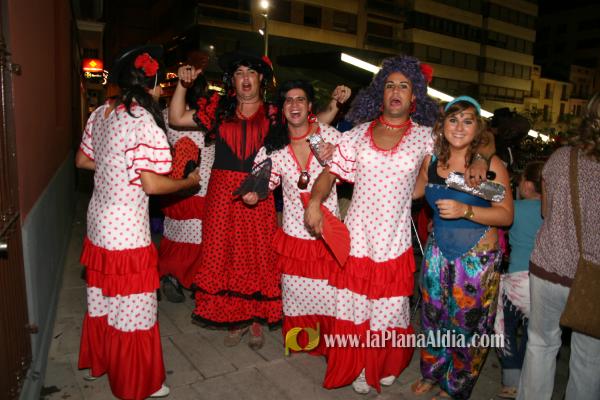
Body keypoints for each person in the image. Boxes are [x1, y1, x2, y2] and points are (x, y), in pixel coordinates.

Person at [304, 57, 492, 395]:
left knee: (390, 308)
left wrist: (479, 158)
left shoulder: (425, 137)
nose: (396, 91)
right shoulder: (358, 133)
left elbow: (478, 138)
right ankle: (360, 363)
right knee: (355, 304)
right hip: (358, 236)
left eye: (404, 86)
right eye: (390, 85)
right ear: (381, 92)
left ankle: (385, 362)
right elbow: (329, 174)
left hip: (394, 237)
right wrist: (315, 202)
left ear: (414, 95)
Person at [169, 51, 350, 349]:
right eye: (239, 73)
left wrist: (334, 105)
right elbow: (176, 118)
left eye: (251, 72)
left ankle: (255, 317)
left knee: (257, 255)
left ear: (261, 78)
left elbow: (310, 123)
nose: (245, 78)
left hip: (260, 186)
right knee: (223, 253)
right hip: (222, 193)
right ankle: (235, 317)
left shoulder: (275, 112)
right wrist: (182, 85)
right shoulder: (219, 109)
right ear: (232, 80)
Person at [75, 44, 200, 399]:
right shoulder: (142, 120)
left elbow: (82, 161)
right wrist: (188, 182)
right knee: (135, 309)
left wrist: (115, 166)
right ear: (153, 83)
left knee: (103, 301)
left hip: (99, 224)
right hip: (127, 231)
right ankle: (136, 381)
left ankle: (102, 363)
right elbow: (153, 184)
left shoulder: (103, 112)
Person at [411, 96, 513, 399]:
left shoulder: (489, 166)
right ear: (442, 125)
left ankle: (456, 384)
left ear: (477, 128)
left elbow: (505, 214)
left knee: (467, 326)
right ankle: (432, 373)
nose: (459, 127)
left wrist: (465, 211)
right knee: (432, 317)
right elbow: (411, 191)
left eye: (468, 121)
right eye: (453, 120)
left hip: (476, 260)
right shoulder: (432, 162)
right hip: (437, 253)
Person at [243, 80, 344, 355]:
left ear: (310, 106)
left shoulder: (328, 136)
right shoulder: (274, 145)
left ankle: (333, 347)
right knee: (298, 294)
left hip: (326, 233)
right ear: (282, 108)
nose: (294, 105)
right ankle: (304, 342)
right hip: (295, 237)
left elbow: (353, 168)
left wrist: (336, 156)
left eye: (300, 99)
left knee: (330, 295)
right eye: (288, 100)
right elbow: (263, 180)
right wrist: (254, 194)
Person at [517, 92, 600, 400]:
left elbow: (545, 211)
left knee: (540, 344)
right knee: (588, 359)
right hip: (593, 279)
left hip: (548, 268)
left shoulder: (562, 157)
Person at [158, 76, 215, 302]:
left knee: (174, 233)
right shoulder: (208, 117)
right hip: (204, 186)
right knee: (201, 238)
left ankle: (171, 275)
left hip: (175, 187)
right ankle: (196, 279)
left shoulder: (166, 115)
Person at [494, 161, 544, 399]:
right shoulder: (553, 212)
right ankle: (526, 375)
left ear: (527, 185)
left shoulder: (514, 208)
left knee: (503, 325)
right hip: (543, 281)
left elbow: (492, 201)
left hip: (517, 280)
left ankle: (511, 377)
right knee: (533, 333)